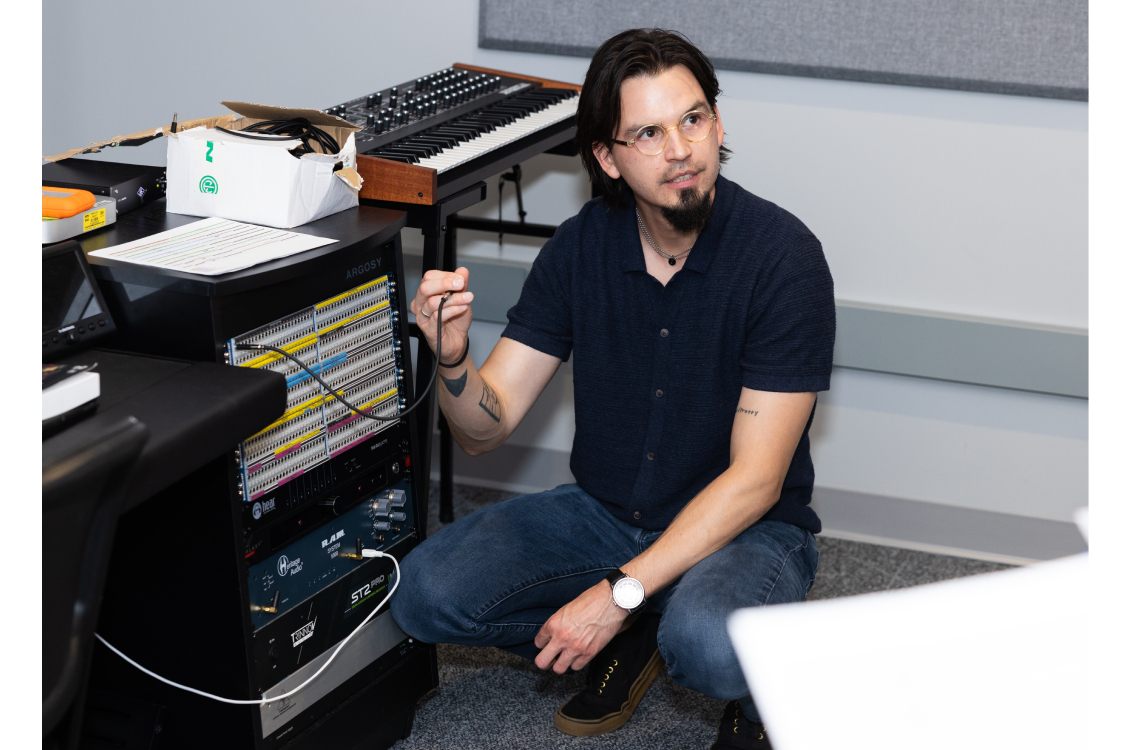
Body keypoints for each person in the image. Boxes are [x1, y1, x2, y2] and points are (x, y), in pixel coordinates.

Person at [390, 28, 835, 749]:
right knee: (421, 595)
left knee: (710, 645)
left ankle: (746, 685)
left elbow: (756, 482)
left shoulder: (783, 260)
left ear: (719, 123)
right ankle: (636, 621)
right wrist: (450, 361)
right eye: (649, 134)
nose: (682, 150)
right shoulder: (580, 247)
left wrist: (619, 592)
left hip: (745, 528)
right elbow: (483, 428)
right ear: (607, 157)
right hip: (604, 515)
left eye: (694, 119)